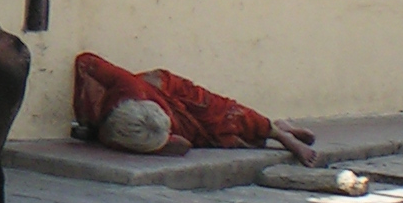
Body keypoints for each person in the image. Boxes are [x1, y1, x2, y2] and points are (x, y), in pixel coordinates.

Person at [71, 51, 318, 166]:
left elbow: (87, 61)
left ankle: (280, 134)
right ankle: (277, 127)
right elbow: (183, 146)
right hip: (158, 117)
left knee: (225, 115)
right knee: (229, 141)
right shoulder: (124, 136)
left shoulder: (128, 88)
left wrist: (84, 107)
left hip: (167, 89)